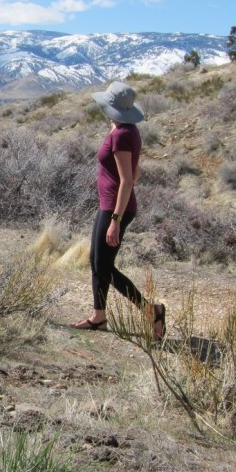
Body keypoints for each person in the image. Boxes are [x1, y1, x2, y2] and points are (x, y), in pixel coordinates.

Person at [70, 81, 165, 339]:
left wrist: (116, 219)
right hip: (111, 205)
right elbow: (136, 171)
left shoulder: (121, 135)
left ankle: (152, 310)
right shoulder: (126, 130)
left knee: (103, 266)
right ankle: (98, 317)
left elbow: (127, 180)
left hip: (115, 208)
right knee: (97, 261)